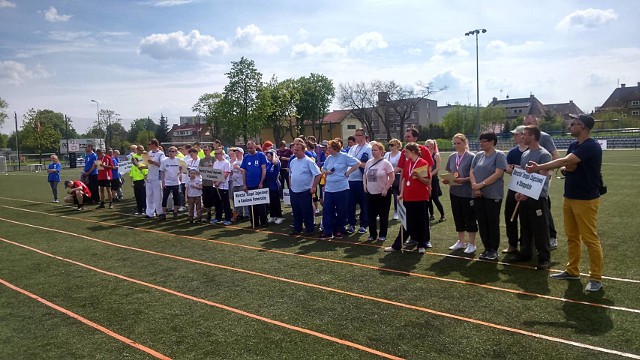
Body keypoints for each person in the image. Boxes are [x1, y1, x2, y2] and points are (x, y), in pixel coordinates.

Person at [526, 114, 604, 292]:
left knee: (590, 239)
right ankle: (572, 270)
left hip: (586, 199)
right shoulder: (575, 145)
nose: (570, 127)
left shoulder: (591, 146)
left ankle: (596, 278)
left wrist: (538, 167)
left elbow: (567, 161)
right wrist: (566, 167)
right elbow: (565, 166)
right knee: (572, 236)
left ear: (582, 127)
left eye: (573, 124)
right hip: (570, 196)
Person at [509, 125, 552, 270]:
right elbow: (524, 175)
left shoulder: (544, 154)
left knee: (540, 228)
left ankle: (544, 257)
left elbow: (543, 177)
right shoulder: (525, 154)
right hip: (525, 197)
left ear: (533, 136)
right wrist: (519, 190)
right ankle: (525, 252)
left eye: (525, 135)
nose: (522, 137)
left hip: (538, 197)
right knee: (525, 225)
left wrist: (528, 193)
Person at [384, 142, 431, 254]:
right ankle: (397, 245)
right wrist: (401, 193)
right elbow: (405, 179)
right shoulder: (407, 163)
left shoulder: (423, 163)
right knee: (406, 222)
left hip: (420, 197)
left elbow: (427, 181)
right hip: (408, 197)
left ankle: (421, 245)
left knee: (421, 222)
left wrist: (419, 176)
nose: (405, 154)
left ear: (413, 152)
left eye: (407, 152)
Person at [524, 115, 561, 249]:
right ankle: (533, 239)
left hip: (542, 176)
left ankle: (551, 237)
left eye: (529, 123)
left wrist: (548, 173)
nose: (526, 125)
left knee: (544, 206)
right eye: (525, 123)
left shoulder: (544, 137)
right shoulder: (524, 137)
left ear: (536, 124)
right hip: (529, 177)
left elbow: (555, 155)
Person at [470, 132, 507, 260]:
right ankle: (486, 248)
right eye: (480, 141)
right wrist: (475, 185)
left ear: (492, 142)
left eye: (484, 141)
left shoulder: (499, 155)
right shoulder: (478, 155)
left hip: (493, 195)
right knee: (482, 222)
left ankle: (493, 249)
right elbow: (472, 171)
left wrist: (481, 185)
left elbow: (498, 174)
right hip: (478, 194)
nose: (481, 143)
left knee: (492, 222)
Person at [396, 128, 434, 248]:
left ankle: (425, 239)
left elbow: (429, 169)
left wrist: (429, 186)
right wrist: (401, 189)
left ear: (415, 138)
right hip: (408, 189)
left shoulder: (424, 150)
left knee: (422, 216)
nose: (406, 138)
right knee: (409, 216)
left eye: (408, 137)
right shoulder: (404, 152)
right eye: (405, 136)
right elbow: (402, 170)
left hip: (421, 189)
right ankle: (413, 238)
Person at [319, 140, 361, 240]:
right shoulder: (329, 158)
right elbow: (323, 169)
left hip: (341, 188)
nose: (327, 149)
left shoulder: (344, 156)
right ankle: (327, 231)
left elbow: (357, 163)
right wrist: (327, 172)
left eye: (329, 147)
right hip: (329, 188)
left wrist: (348, 173)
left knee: (341, 210)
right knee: (327, 210)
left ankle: (339, 230)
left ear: (335, 148)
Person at [443, 134, 478, 254]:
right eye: (455, 143)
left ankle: (472, 243)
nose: (457, 145)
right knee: (458, 217)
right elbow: (449, 172)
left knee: (469, 217)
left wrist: (464, 180)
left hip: (468, 193)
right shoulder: (452, 156)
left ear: (465, 143)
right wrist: (447, 179)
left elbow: (475, 175)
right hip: (454, 191)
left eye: (459, 143)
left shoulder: (472, 157)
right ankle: (461, 241)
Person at [502, 125, 528, 254]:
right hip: (514, 187)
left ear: (523, 134)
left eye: (516, 134)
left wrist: (516, 168)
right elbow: (507, 169)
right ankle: (512, 244)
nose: (514, 136)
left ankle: (525, 244)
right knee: (509, 216)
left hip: (529, 189)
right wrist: (513, 169)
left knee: (526, 218)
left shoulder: (532, 151)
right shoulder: (513, 152)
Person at [288, 142, 322, 236]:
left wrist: (314, 186)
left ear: (303, 151)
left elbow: (318, 174)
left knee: (306, 211)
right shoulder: (293, 161)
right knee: (296, 210)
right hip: (294, 190)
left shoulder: (309, 161)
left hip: (305, 190)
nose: (295, 152)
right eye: (294, 150)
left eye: (297, 150)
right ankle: (297, 228)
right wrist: (290, 184)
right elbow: (291, 174)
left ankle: (309, 229)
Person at [363, 141, 394, 242]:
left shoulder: (386, 163)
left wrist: (386, 188)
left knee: (383, 215)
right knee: (371, 215)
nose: (373, 152)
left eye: (375, 150)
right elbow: (364, 174)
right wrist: (365, 184)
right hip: (370, 193)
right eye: (372, 150)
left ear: (381, 151)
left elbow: (392, 177)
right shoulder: (368, 162)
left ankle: (383, 234)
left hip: (382, 193)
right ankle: (372, 234)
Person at [346, 128, 372, 234]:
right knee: (350, 204)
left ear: (364, 136)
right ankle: (351, 224)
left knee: (363, 204)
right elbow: (348, 161)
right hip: (351, 179)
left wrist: (358, 164)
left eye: (359, 135)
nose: (356, 137)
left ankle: (363, 224)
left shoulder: (369, 148)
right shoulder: (352, 148)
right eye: (355, 135)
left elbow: (371, 164)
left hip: (362, 180)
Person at [241, 141, 268, 227]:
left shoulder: (261, 155)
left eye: (251, 148)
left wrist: (261, 182)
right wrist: (244, 184)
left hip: (258, 184)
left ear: (255, 146)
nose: (249, 150)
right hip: (249, 184)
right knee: (252, 205)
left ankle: (264, 221)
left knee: (261, 204)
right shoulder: (246, 157)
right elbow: (244, 171)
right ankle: (254, 222)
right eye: (248, 148)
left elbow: (264, 169)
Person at [425, 139, 445, 223]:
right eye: (426, 146)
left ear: (433, 146)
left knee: (435, 198)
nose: (427, 147)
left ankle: (442, 215)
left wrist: (430, 175)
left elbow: (437, 168)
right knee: (428, 198)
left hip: (433, 179)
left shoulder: (436, 155)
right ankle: (431, 215)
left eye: (428, 145)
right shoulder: (424, 155)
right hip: (426, 179)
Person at [160, 146, 182, 220]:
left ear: (176, 152)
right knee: (164, 198)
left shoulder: (179, 160)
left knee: (176, 198)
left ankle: (175, 212)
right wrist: (163, 181)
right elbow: (162, 171)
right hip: (167, 182)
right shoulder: (164, 161)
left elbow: (183, 169)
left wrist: (180, 173)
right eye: (170, 151)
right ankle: (163, 213)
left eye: (173, 151)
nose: (171, 153)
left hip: (176, 182)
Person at [144, 139, 165, 218]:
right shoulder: (149, 153)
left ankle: (160, 212)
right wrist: (142, 166)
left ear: (154, 145)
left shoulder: (160, 154)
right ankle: (149, 213)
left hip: (157, 177)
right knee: (149, 196)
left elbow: (162, 165)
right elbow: (148, 164)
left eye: (149, 144)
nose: (148, 146)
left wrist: (153, 162)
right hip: (149, 177)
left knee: (158, 196)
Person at [384, 138, 402, 220]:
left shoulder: (400, 154)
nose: (390, 146)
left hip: (397, 176)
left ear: (397, 146)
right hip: (386, 176)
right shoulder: (387, 154)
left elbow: (400, 167)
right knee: (384, 195)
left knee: (396, 195)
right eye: (389, 145)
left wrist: (392, 174)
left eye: (392, 145)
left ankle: (396, 211)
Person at [265, 149, 283, 224]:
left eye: (270, 156)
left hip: (274, 184)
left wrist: (274, 155)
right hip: (268, 184)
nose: (268, 157)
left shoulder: (276, 162)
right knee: (270, 201)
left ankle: (279, 216)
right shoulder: (268, 163)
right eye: (267, 156)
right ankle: (272, 216)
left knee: (276, 201)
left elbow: (275, 162)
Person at [230, 147, 247, 221]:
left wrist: (238, 168)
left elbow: (245, 171)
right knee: (237, 200)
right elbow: (231, 172)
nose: (236, 153)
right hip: (235, 183)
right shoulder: (234, 162)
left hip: (242, 183)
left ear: (241, 153)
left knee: (244, 199)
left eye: (238, 152)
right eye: (235, 152)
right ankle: (239, 214)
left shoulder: (244, 161)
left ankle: (247, 214)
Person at [199, 146, 215, 222]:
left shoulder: (214, 159)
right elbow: (200, 170)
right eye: (204, 150)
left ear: (210, 150)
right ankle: (208, 213)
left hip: (213, 182)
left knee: (214, 199)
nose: (205, 151)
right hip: (205, 182)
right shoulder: (202, 160)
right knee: (206, 200)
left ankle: (216, 213)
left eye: (207, 150)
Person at [129, 149, 147, 215]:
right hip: (136, 182)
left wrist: (145, 182)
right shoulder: (133, 167)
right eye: (132, 161)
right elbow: (131, 176)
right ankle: (140, 210)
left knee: (143, 197)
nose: (133, 162)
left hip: (142, 182)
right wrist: (132, 183)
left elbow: (146, 174)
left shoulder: (142, 166)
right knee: (137, 197)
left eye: (134, 161)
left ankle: (145, 209)